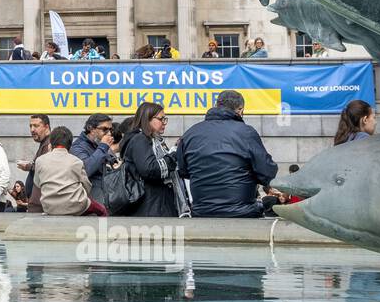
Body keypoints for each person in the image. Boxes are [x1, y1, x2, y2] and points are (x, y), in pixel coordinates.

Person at [176, 90, 281, 218]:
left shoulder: (190, 134)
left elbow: (183, 171)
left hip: (201, 212)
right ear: (240, 110)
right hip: (242, 212)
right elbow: (268, 172)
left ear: (217, 105)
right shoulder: (246, 133)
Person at [118, 103, 181, 217]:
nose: (164, 122)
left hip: (156, 203)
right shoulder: (140, 139)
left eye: (165, 119)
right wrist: (173, 156)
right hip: (149, 206)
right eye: (161, 119)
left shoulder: (155, 141)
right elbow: (149, 169)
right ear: (147, 119)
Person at [34, 127, 108, 216]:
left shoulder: (40, 160)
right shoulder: (76, 161)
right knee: (102, 209)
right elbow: (87, 186)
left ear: (51, 142)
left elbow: (37, 183)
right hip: (75, 206)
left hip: (49, 207)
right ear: (70, 144)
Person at [70, 113, 117, 203]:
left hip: (108, 198)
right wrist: (103, 147)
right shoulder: (78, 147)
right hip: (90, 202)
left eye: (110, 130)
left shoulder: (102, 145)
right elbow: (86, 170)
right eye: (104, 129)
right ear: (91, 128)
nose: (109, 133)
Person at [16, 114, 53, 213]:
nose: (32, 130)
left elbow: (45, 167)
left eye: (36, 126)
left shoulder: (49, 144)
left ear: (46, 127)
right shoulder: (44, 143)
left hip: (41, 205)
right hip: (37, 203)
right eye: (30, 126)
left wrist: (28, 166)